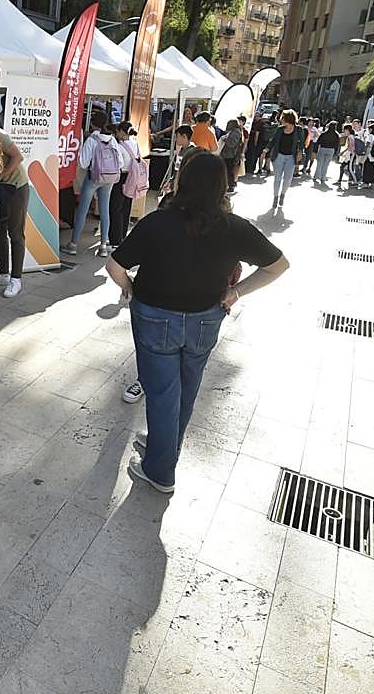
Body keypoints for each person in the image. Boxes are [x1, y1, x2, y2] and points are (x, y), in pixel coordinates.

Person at [105, 151, 289, 493]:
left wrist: (129, 288)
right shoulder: (235, 227)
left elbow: (115, 266)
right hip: (205, 320)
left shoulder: (157, 222)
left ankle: (160, 473)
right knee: (185, 391)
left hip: (155, 318)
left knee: (162, 394)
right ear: (222, 186)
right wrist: (236, 292)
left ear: (183, 181)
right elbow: (278, 265)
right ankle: (165, 451)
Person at [0, 120, 29, 299]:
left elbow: (18, 157)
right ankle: (3, 273)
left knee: (15, 232)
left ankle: (16, 279)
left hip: (16, 186)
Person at [64, 113, 123, 257]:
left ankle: (73, 244)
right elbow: (120, 162)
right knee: (105, 211)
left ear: (92, 124)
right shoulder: (113, 140)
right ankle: (103, 246)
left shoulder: (92, 139)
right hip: (109, 179)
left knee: (82, 211)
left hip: (93, 178)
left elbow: (83, 163)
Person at [108, 123, 140, 246]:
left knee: (116, 208)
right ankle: (122, 236)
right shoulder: (135, 144)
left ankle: (115, 240)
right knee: (126, 207)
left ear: (122, 131)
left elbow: (119, 164)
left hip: (121, 177)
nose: (116, 134)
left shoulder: (120, 146)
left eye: (118, 131)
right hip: (132, 177)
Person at [265, 109, 302, 210]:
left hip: (291, 157)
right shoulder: (280, 129)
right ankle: (275, 197)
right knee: (277, 178)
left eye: (283, 118)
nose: (281, 120)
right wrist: (266, 149)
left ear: (288, 119)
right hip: (279, 156)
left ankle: (283, 194)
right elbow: (273, 140)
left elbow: (301, 143)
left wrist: (300, 152)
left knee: (287, 179)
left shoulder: (298, 130)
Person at [218, 119, 244, 191]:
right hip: (229, 154)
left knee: (228, 171)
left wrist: (225, 140)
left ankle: (231, 185)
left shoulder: (236, 132)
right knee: (228, 170)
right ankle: (230, 184)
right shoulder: (236, 131)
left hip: (230, 154)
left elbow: (232, 144)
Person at [314, 117, 340, 185]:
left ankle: (316, 176)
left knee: (319, 164)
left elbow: (318, 142)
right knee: (326, 165)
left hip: (322, 149)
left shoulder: (324, 134)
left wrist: (315, 150)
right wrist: (336, 153)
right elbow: (337, 144)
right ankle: (323, 178)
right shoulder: (336, 135)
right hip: (331, 150)